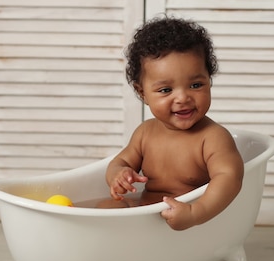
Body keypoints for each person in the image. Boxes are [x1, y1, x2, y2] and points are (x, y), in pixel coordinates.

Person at [104, 16, 244, 230]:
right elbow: (119, 162)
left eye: (196, 85)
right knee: (104, 206)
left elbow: (229, 178)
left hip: (191, 222)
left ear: (209, 81)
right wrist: (119, 175)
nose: (182, 98)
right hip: (146, 217)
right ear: (143, 93)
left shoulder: (212, 137)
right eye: (166, 90)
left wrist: (196, 212)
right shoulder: (145, 133)